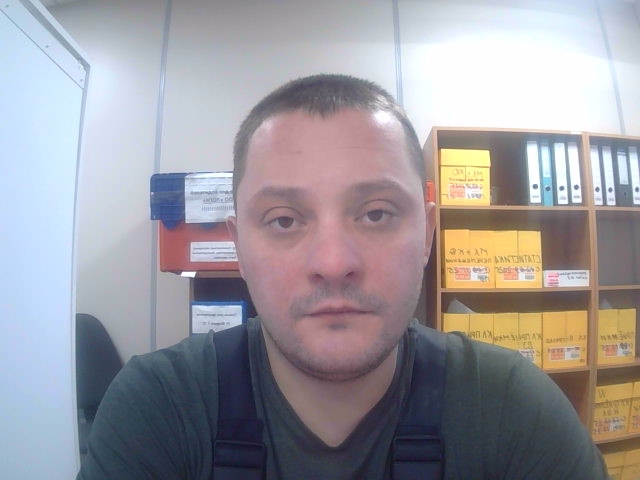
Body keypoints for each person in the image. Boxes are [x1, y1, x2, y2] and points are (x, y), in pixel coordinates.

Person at [77, 73, 609, 479]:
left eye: (376, 213)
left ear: (427, 234)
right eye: (284, 220)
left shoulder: (513, 409)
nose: (333, 262)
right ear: (238, 248)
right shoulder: (158, 408)